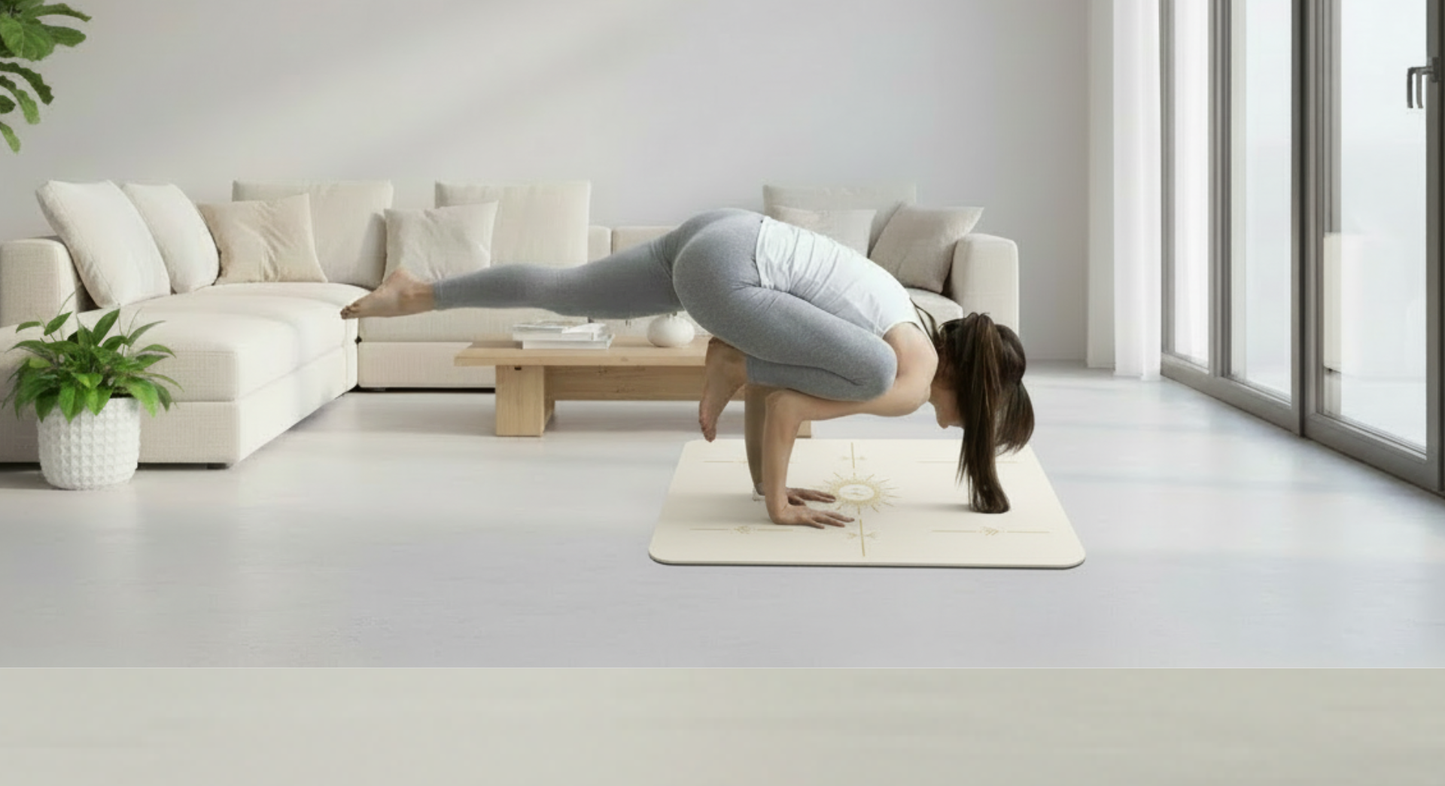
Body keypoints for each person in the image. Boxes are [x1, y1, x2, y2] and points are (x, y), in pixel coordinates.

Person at [341, 208, 1034, 525]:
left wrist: (771, 484)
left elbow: (783, 388)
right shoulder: (905, 378)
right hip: (728, 270)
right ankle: (729, 355)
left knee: (563, 290)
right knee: (838, 374)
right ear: (973, 393)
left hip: (721, 233)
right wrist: (777, 507)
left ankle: (417, 292)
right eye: (975, 421)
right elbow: (788, 405)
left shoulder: (909, 318)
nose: (954, 428)